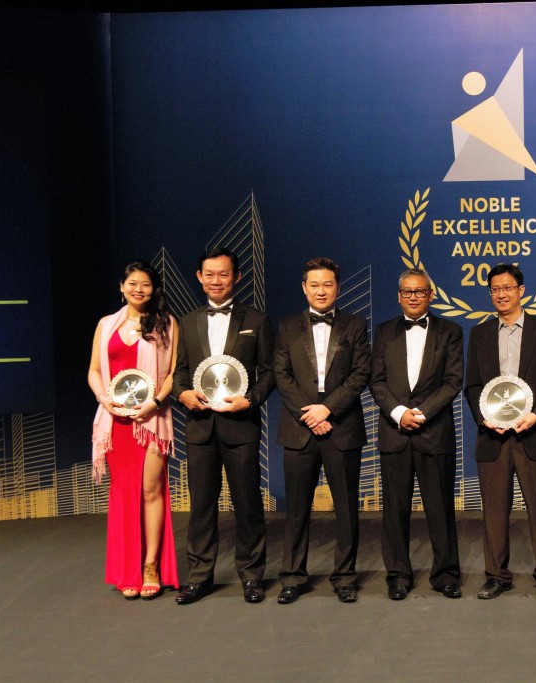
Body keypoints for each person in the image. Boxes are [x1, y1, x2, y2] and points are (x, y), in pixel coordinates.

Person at [173, 248, 275, 605]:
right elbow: (179, 372)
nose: (216, 281)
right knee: (201, 506)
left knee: (248, 504)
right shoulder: (187, 322)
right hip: (200, 427)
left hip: (241, 426)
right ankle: (199, 578)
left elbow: (269, 372)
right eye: (210, 274)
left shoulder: (257, 320)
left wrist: (252, 399)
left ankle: (252, 576)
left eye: (224, 274)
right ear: (199, 278)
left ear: (237, 277)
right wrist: (182, 393)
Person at [464, 264, 536, 600]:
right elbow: (473, 385)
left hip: (535, 434)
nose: (501, 294)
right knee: (494, 512)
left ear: (521, 290)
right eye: (495, 289)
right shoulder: (479, 334)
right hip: (493, 437)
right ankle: (496, 575)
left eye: (507, 288)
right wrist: (484, 417)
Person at [274, 257, 369, 604]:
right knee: (297, 510)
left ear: (338, 288)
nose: (321, 291)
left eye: (327, 284)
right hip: (299, 429)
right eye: (314, 285)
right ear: (304, 288)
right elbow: (281, 375)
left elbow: (361, 373)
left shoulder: (356, 325)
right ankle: (292, 576)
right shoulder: (287, 326)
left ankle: (344, 577)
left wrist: (327, 409)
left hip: (341, 427)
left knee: (346, 508)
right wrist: (310, 414)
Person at [369, 268, 464, 600]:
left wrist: (421, 413)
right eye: (407, 292)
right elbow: (376, 381)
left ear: (430, 295)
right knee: (394, 510)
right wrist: (399, 413)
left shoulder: (451, 331)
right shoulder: (383, 332)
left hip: (434, 431)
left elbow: (453, 381)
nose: (413, 297)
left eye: (419, 291)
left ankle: (446, 574)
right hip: (394, 432)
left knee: (440, 508)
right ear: (399, 296)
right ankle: (398, 575)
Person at [89, 261, 179, 600]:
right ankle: (129, 569)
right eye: (132, 283)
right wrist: (104, 400)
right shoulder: (106, 324)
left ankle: (151, 565)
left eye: (146, 284)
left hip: (151, 420)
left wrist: (154, 402)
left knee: (151, 490)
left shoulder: (166, 323)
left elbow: (173, 373)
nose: (139, 289)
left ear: (154, 290)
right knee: (124, 493)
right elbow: (94, 371)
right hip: (116, 422)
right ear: (122, 286)